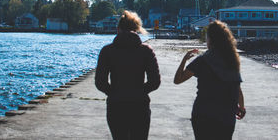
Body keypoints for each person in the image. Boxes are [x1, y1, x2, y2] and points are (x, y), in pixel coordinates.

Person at [174, 20, 245, 140]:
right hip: (226, 117)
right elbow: (238, 90)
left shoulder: (202, 60)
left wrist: (184, 59)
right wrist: (241, 108)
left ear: (211, 39)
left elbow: (178, 79)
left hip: (203, 115)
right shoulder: (232, 60)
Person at [95, 10, 161, 140]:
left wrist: (114, 92)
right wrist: (140, 91)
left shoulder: (107, 51)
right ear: (136, 29)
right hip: (139, 105)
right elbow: (155, 81)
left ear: (118, 29)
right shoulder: (146, 51)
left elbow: (100, 82)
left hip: (116, 105)